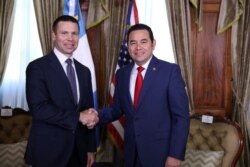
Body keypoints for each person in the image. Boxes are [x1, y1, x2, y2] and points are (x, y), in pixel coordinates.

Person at [88, 23, 190, 167]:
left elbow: (181, 117)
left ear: (153, 44)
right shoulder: (122, 74)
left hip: (160, 154)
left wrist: (175, 155)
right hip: (130, 152)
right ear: (128, 46)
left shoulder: (170, 72)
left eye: (143, 42)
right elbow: (117, 108)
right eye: (133, 43)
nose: (138, 47)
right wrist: (96, 115)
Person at [25, 15, 98, 167]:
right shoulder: (37, 68)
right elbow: (39, 109)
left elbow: (88, 111)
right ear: (54, 35)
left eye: (74, 33)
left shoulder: (85, 71)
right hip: (48, 151)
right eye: (64, 33)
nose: (70, 38)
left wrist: (90, 148)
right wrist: (78, 116)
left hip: (78, 151)